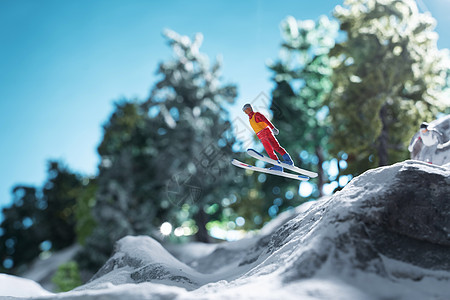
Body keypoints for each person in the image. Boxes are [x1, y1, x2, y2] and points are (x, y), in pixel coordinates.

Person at [242, 103, 294, 171]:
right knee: (269, 152)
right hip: (261, 137)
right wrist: (259, 138)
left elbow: (265, 120)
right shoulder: (250, 119)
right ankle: (277, 166)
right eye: (244, 111)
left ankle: (289, 161)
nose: (246, 112)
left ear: (250, 108)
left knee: (276, 147)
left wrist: (273, 128)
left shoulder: (256, 115)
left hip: (266, 133)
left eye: (246, 109)